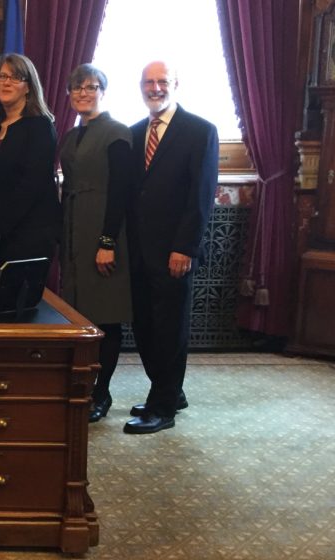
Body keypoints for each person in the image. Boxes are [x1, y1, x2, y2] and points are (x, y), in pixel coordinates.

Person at [124, 61, 219, 435]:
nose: (155, 88)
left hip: (175, 252)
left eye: (162, 81)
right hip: (139, 252)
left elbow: (200, 198)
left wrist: (185, 247)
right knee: (145, 325)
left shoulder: (200, 131)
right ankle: (168, 389)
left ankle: (163, 407)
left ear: (176, 84)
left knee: (169, 328)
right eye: (148, 82)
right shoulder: (134, 134)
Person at [57, 64, 135, 423]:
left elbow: (122, 192)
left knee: (106, 316)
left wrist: (108, 242)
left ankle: (101, 393)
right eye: (77, 88)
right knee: (78, 314)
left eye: (91, 87)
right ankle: (80, 385)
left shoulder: (118, 133)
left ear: (103, 91)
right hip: (74, 227)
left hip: (103, 231)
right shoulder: (70, 137)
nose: (83, 93)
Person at [0, 53, 59, 274]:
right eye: (2, 76)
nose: (6, 82)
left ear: (28, 87)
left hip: (28, 236)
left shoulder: (40, 127)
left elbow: (30, 187)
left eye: (15, 78)